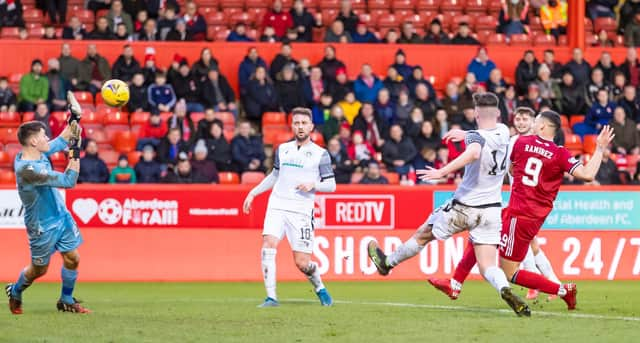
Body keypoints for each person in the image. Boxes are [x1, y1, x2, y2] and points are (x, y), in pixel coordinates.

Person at [367, 93, 531, 317]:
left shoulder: (475, 137)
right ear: (499, 114)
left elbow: (474, 151)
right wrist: (464, 134)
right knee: (487, 266)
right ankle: (505, 289)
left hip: (465, 206)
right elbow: (482, 137)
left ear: (475, 113)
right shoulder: (503, 131)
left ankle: (388, 263)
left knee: (423, 235)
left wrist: (442, 171)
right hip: (492, 209)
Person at [429, 107, 562, 301]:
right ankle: (552, 284)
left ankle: (550, 286)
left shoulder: (522, 142)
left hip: (523, 207)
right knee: (527, 244)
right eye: (518, 119)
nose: (522, 123)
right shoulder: (518, 141)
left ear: (537, 123)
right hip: (524, 205)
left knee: (505, 241)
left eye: (527, 120)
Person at [242, 107, 336, 307]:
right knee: (268, 244)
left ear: (311, 126)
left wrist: (314, 185)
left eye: (304, 123)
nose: (300, 127)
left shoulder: (321, 154)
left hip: (301, 211)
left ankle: (319, 287)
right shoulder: (282, 150)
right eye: (297, 123)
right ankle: (271, 297)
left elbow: (331, 185)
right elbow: (275, 176)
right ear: (291, 126)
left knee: (302, 263)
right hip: (277, 205)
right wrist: (253, 192)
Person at [7, 94, 89, 314]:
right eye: (44, 135)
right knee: (39, 269)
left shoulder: (35, 152)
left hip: (60, 215)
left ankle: (66, 299)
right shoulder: (27, 169)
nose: (47, 138)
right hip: (42, 226)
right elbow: (69, 181)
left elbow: (60, 140)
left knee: (73, 257)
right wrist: (75, 150)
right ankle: (15, 291)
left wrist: (75, 117)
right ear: (34, 141)